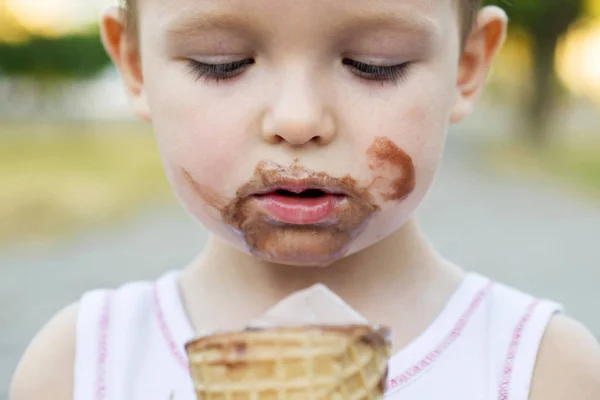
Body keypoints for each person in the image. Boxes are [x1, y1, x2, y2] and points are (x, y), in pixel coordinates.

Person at [10, 0, 600, 399]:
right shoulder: (81, 366)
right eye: (222, 64)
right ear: (135, 67)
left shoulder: (540, 370)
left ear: (467, 68)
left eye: (376, 65)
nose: (297, 120)